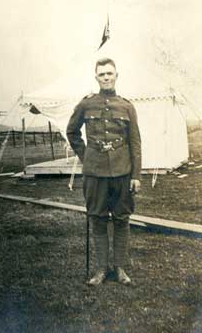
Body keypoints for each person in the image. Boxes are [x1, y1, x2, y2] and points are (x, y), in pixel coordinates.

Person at [66, 57, 141, 285]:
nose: (106, 77)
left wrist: (136, 176)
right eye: (102, 74)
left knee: (121, 219)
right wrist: (86, 155)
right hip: (95, 173)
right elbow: (72, 132)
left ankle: (119, 269)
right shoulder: (86, 105)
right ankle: (100, 270)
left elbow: (135, 142)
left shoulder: (127, 106)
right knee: (97, 219)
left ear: (117, 76)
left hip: (122, 172)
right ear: (96, 77)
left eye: (110, 73)